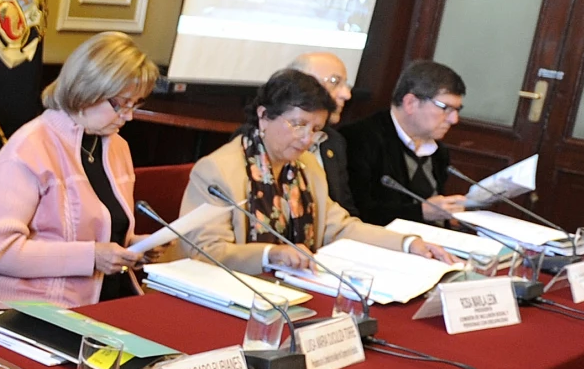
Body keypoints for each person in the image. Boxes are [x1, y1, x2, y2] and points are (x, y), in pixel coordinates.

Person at [185, 68, 459, 272]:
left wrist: (409, 243)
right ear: (264, 116)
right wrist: (270, 254)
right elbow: (206, 252)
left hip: (296, 286)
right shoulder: (218, 169)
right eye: (297, 124)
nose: (306, 139)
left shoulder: (307, 166)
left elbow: (339, 227)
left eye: (315, 129)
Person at [0, 31, 162, 309]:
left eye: (135, 104)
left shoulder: (117, 147)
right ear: (87, 91)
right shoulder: (28, 149)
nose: (129, 116)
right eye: (121, 104)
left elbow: (100, 231)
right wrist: (92, 257)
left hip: (107, 301)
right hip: (34, 309)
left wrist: (133, 247)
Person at [343, 60, 469, 228]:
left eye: (457, 110)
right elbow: (357, 213)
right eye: (445, 108)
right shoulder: (358, 139)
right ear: (410, 103)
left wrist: (449, 218)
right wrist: (421, 212)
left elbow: (435, 214)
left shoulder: (439, 153)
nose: (454, 119)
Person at [287, 50, 355, 209]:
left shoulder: (334, 141)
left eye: (346, 84)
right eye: (334, 82)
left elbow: (346, 211)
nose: (347, 94)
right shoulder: (261, 139)